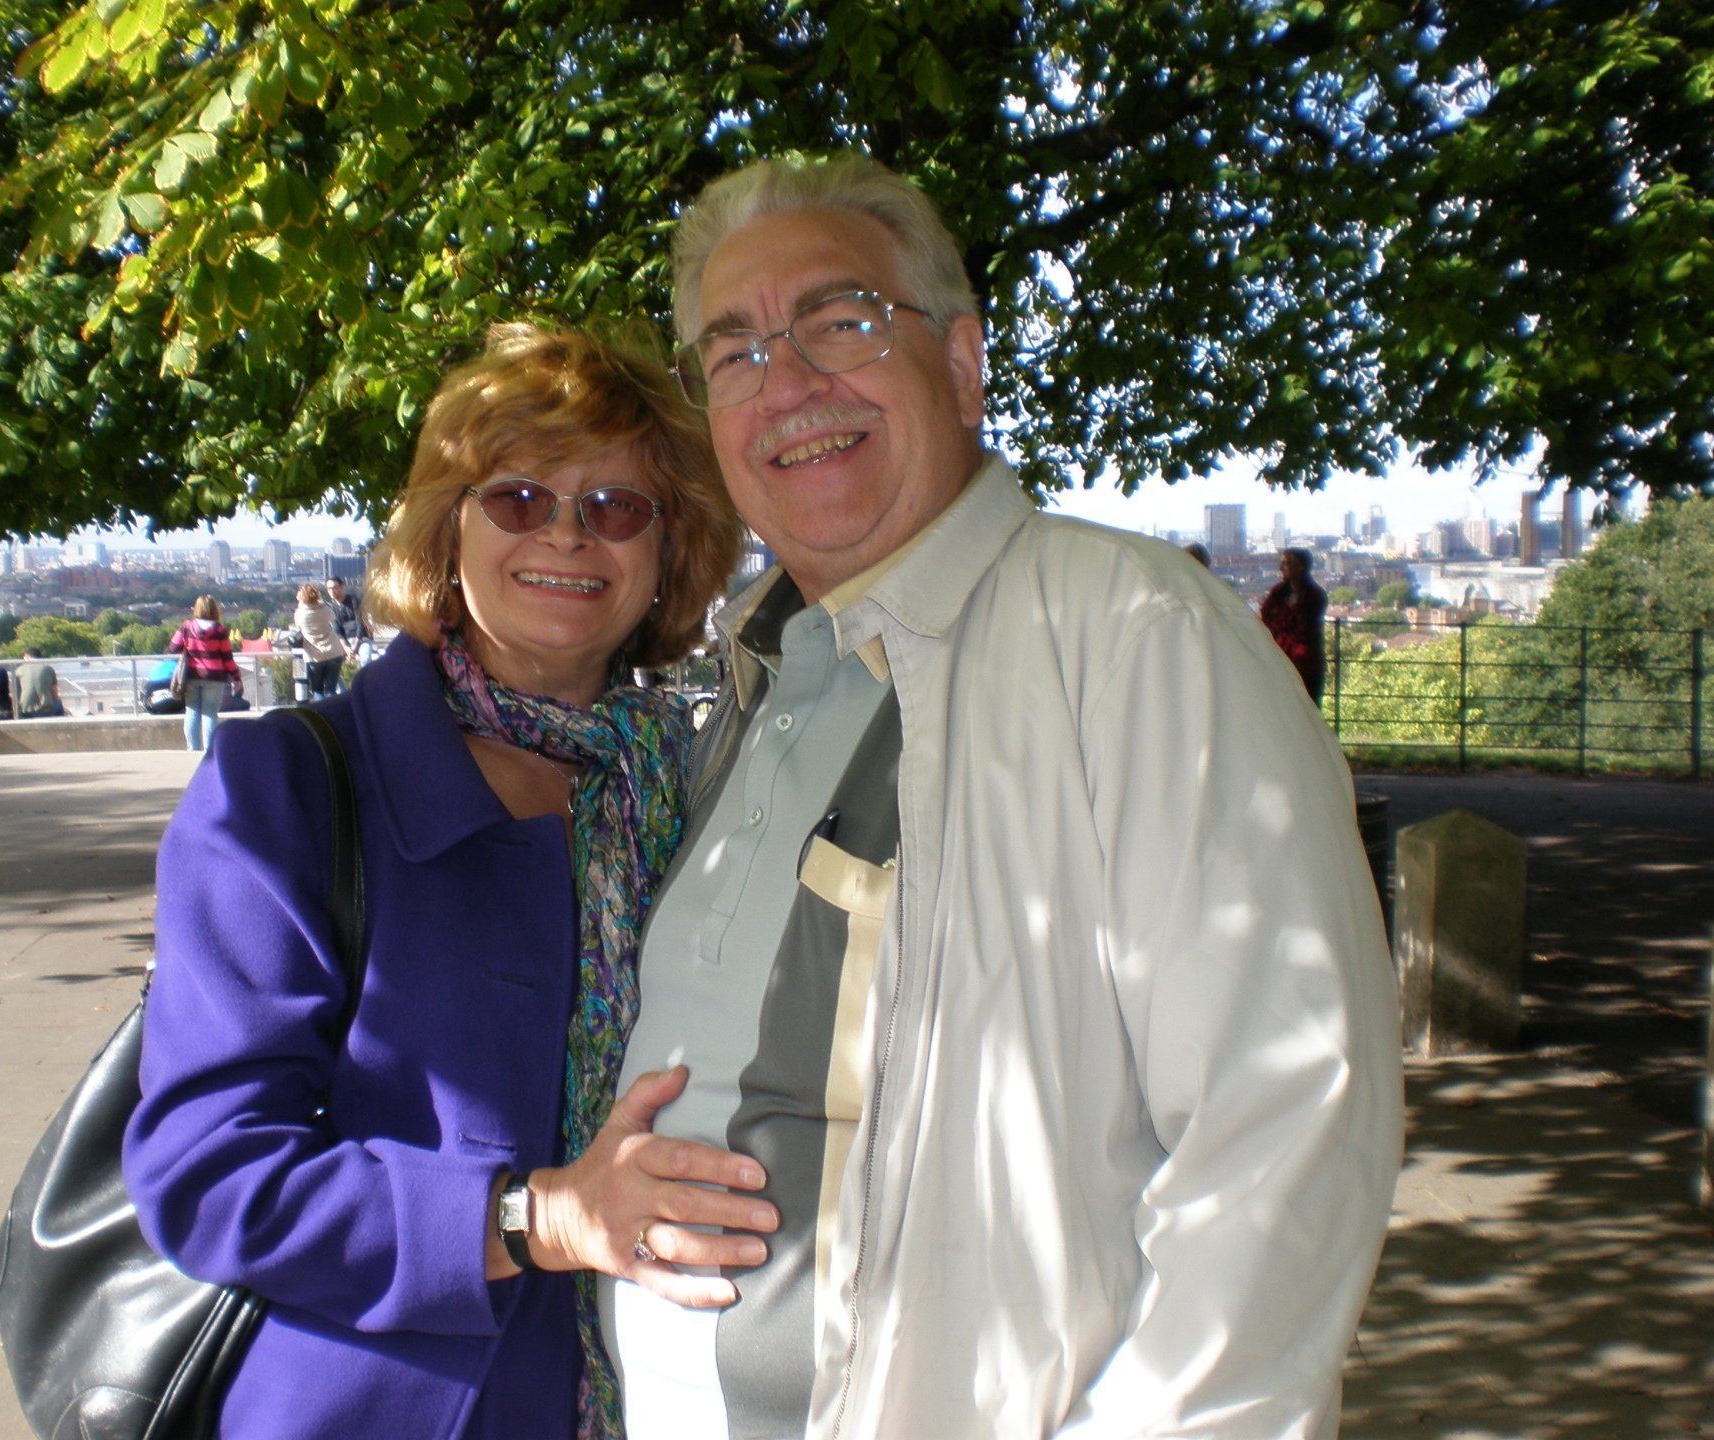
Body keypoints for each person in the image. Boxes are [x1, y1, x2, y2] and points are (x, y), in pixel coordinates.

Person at [599, 154, 1403, 1440]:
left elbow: (1287, 1131)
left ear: (964, 361)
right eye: (736, 349)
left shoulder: (1136, 636)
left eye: (841, 320)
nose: (789, 381)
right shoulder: (762, 671)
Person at [124, 324, 755, 1440]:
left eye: (617, 507)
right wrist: (536, 1220)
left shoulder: (710, 785)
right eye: (518, 497)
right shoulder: (289, 791)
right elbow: (208, 1174)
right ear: (444, 530)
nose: (567, 533)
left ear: (669, 554)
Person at [165, 596, 242, 751]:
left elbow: (172, 648)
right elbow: (228, 658)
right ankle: (209, 751)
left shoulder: (186, 627)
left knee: (192, 711)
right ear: (215, 610)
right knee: (210, 714)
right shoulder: (220, 631)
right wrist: (236, 677)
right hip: (215, 678)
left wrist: (188, 648)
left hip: (192, 676)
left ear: (196, 608)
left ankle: (193, 749)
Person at [1262, 546, 1330, 704]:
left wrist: (1278, 622)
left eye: (1285, 564)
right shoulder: (1278, 592)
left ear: (1299, 567)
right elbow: (1267, 618)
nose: (1280, 568)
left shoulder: (1315, 596)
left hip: (1305, 665)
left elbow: (1301, 628)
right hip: (1282, 660)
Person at [293, 583, 349, 699]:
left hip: (314, 656)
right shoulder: (325, 609)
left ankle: (321, 714)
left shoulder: (300, 614)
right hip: (334, 652)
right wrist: (320, 602)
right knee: (331, 689)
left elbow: (298, 627)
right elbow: (333, 619)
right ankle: (333, 712)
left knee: (317, 689)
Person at [14, 648, 65, 718]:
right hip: (46, 710)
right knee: (58, 703)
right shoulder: (48, 669)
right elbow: (55, 694)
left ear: (27, 656)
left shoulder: (19, 670)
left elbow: (16, 694)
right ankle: (60, 726)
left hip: (25, 711)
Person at [327, 575, 369, 659]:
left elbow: (361, 624)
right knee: (333, 660)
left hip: (361, 639)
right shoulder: (331, 607)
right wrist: (346, 647)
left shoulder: (354, 601)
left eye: (334, 587)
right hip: (344, 642)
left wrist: (355, 646)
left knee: (365, 659)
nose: (332, 591)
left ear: (342, 587)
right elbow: (337, 630)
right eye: (329, 588)